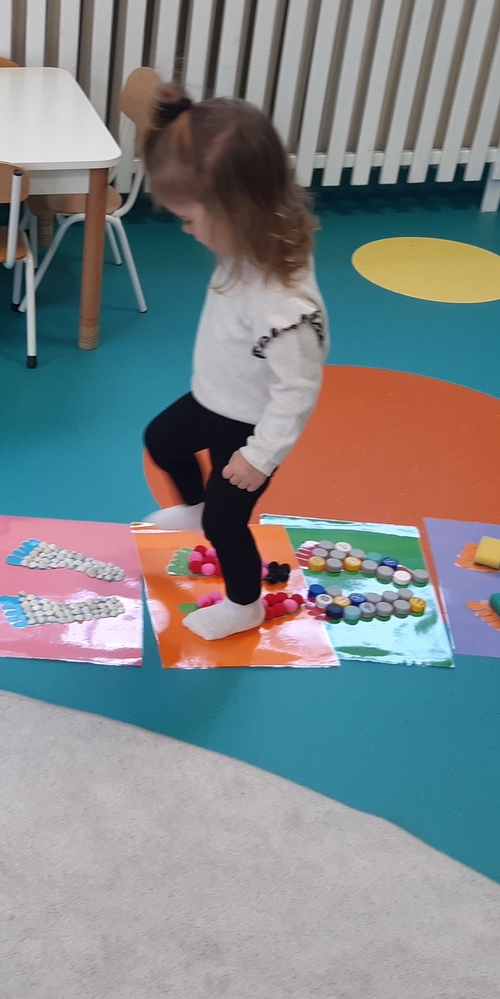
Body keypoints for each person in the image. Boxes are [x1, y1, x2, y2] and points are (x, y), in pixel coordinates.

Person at [140, 88, 329, 641]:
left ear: (234, 211)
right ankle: (197, 506)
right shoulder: (249, 237)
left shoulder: (285, 307)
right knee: (161, 440)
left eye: (188, 218)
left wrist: (260, 457)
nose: (185, 229)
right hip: (212, 398)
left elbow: (298, 389)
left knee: (227, 524)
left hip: (248, 427)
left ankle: (245, 604)